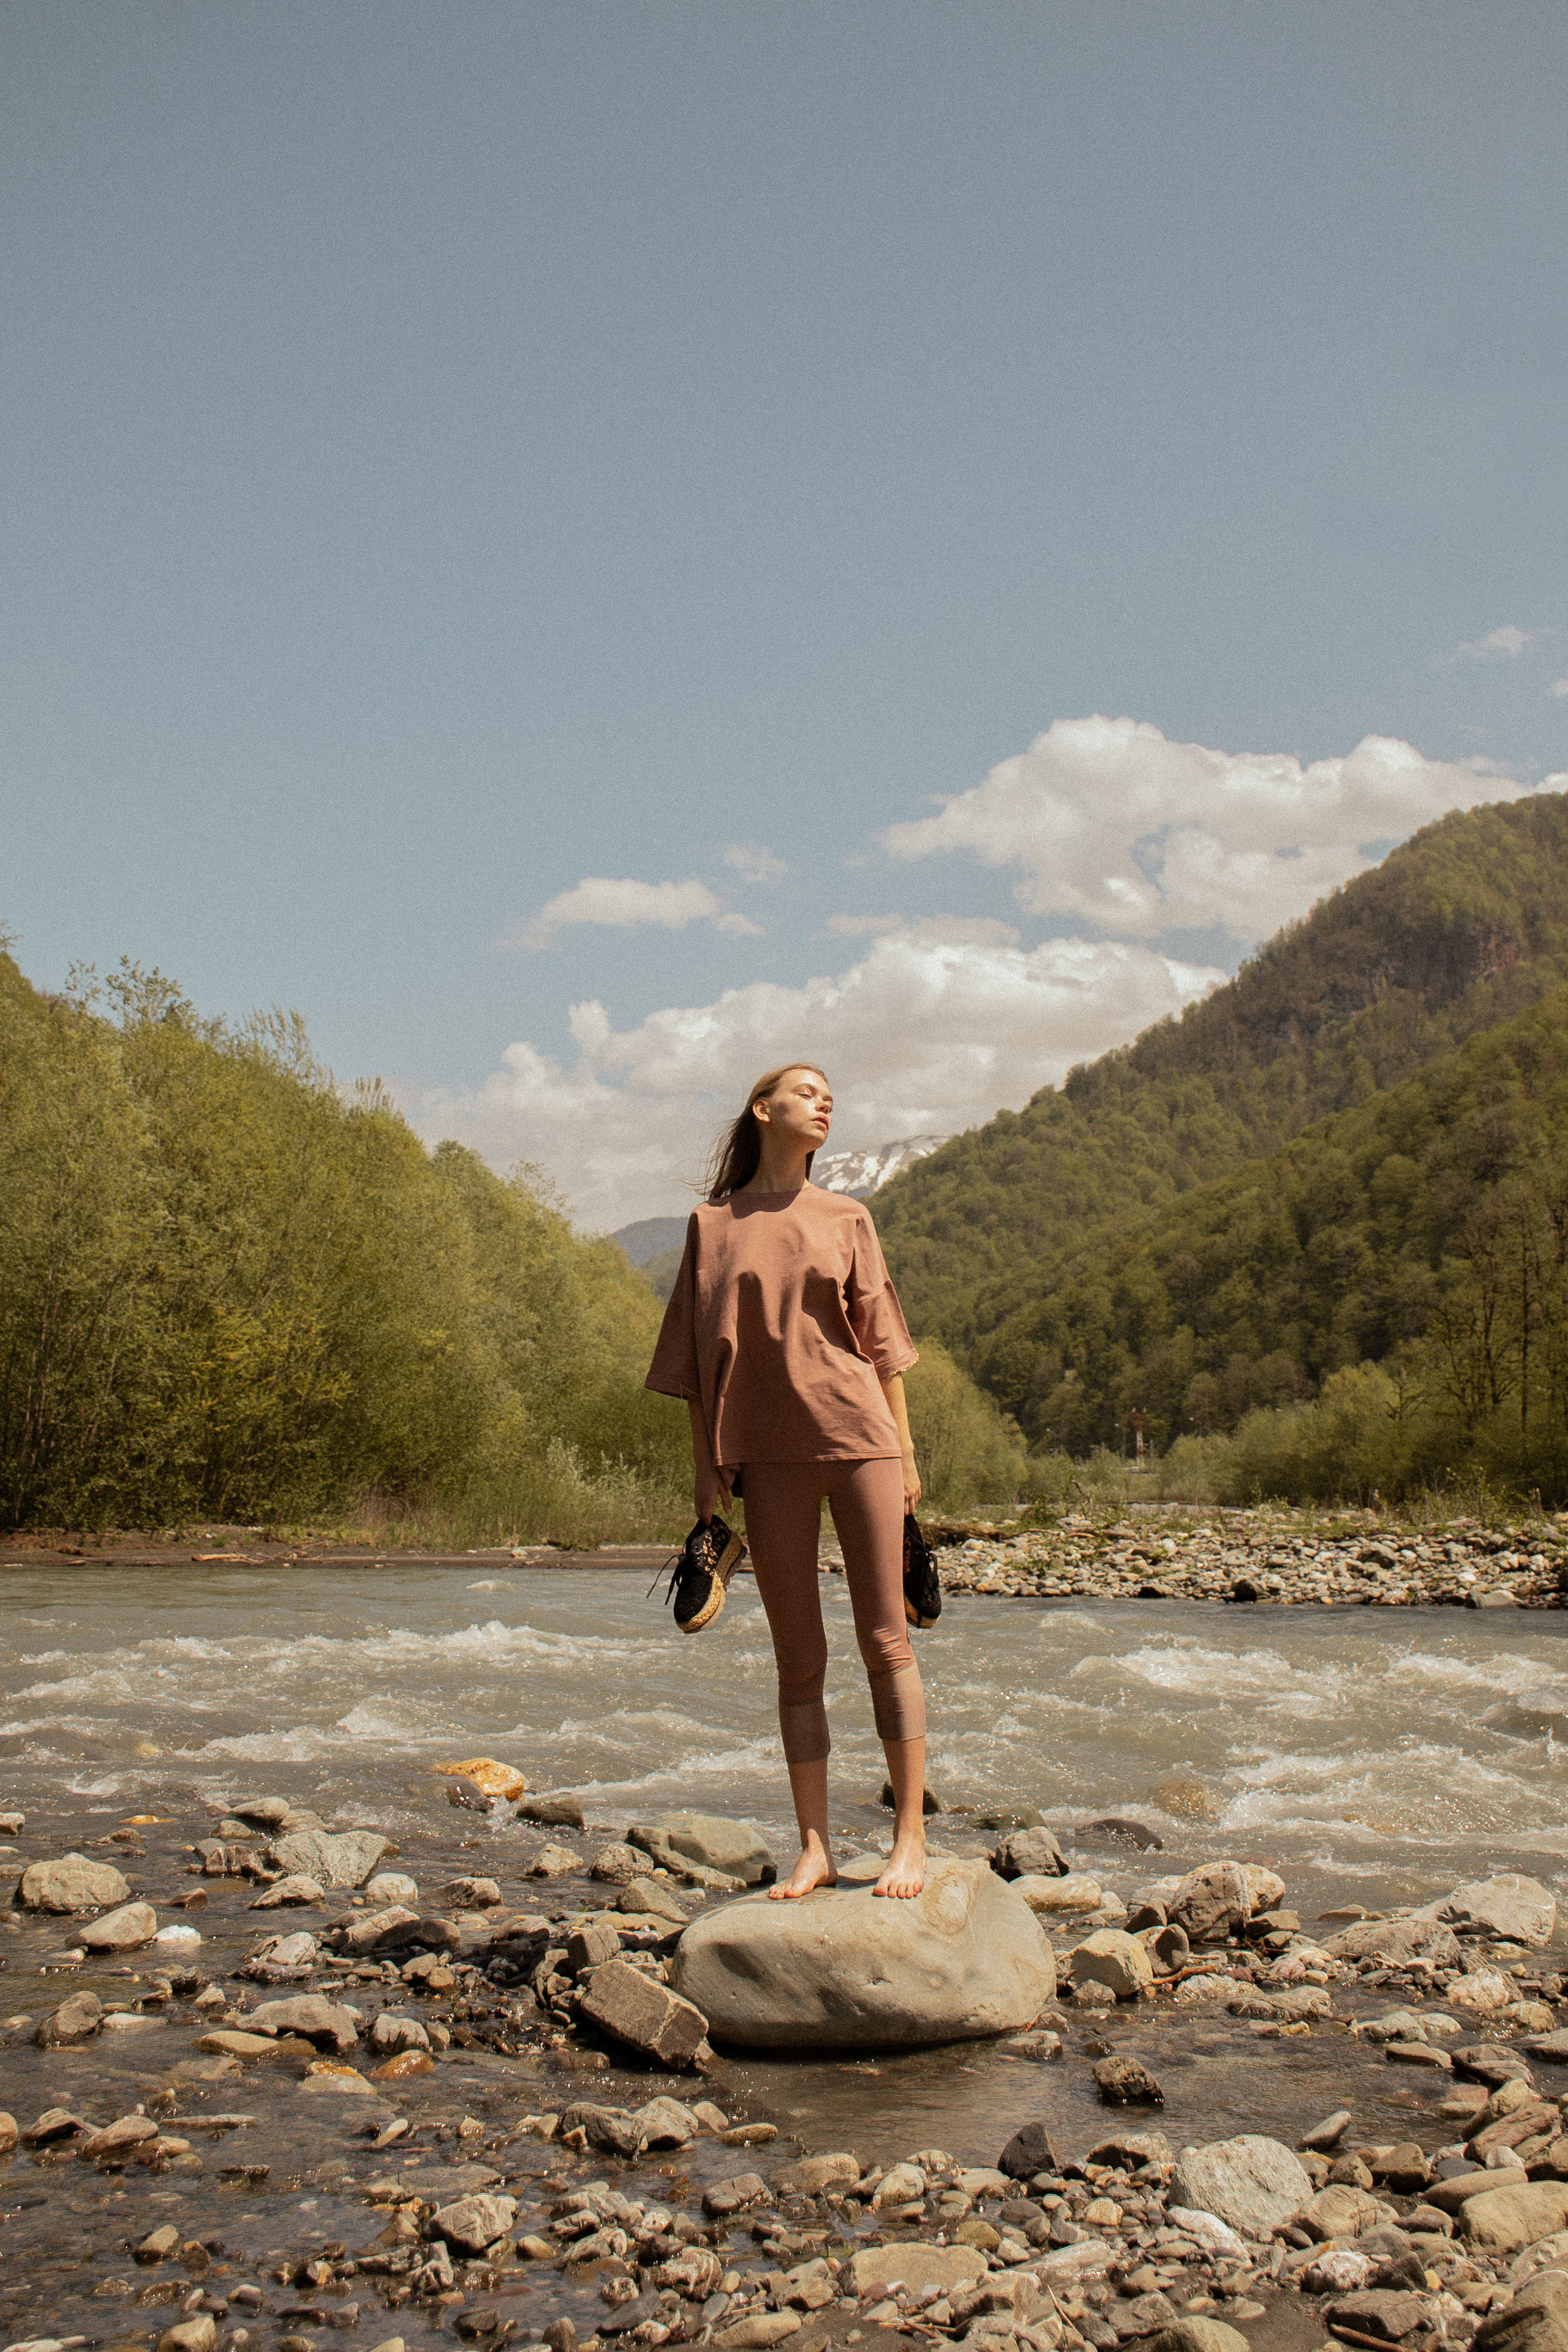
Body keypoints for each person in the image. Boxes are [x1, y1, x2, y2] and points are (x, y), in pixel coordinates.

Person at [645, 1062, 929, 1901]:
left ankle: (910, 1840)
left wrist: (908, 1459)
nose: (825, 1100)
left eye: (830, 1094)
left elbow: (885, 1348)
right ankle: (815, 1848)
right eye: (806, 1091)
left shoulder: (849, 1217)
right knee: (798, 1659)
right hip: (764, 1461)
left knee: (888, 1642)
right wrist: (707, 1481)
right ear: (763, 1109)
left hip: (861, 1443)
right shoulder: (712, 1224)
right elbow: (693, 1366)